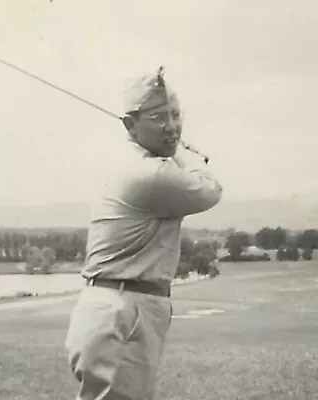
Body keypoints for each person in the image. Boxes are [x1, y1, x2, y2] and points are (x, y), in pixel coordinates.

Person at [65, 66, 223, 400]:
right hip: (124, 312)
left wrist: (175, 149)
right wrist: (186, 153)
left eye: (176, 115)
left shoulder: (139, 163)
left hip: (121, 309)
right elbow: (210, 190)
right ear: (129, 124)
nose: (172, 127)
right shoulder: (149, 174)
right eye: (157, 118)